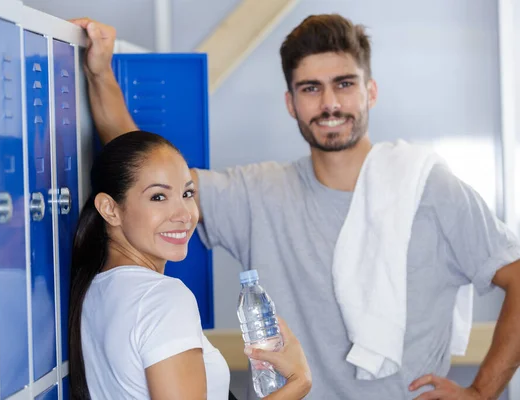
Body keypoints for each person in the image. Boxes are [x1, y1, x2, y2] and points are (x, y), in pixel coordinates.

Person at [71, 13, 520, 400]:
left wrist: (482, 392)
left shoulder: (430, 188)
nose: (329, 103)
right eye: (310, 88)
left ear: (371, 91)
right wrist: (100, 73)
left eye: (344, 84)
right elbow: (142, 172)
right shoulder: (258, 192)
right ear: (291, 102)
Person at [68, 131, 312, 399]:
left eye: (187, 193)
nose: (185, 214)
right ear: (110, 209)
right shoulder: (164, 298)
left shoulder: (95, 290)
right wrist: (297, 384)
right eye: (158, 197)